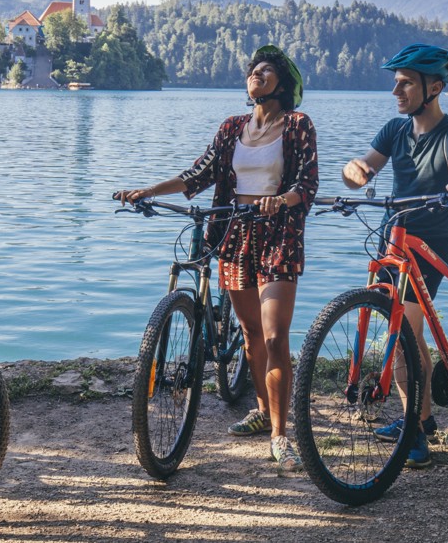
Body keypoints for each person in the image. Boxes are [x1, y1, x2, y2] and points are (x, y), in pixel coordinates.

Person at [117, 45, 319, 476]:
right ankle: (262, 411)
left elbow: (307, 184)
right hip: (232, 233)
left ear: (283, 83)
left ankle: (280, 436)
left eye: (266, 70)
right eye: (253, 69)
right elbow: (198, 174)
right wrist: (147, 191)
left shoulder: (298, 125)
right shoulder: (232, 127)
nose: (256, 73)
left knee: (275, 336)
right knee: (249, 332)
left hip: (278, 236)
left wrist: (282, 199)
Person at [341, 43, 448, 469]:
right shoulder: (395, 130)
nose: (396, 91)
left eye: (406, 83)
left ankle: (416, 432)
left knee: (405, 330)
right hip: (394, 236)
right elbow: (364, 167)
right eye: (396, 82)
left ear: (434, 88)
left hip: (430, 240)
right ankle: (420, 420)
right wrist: (354, 171)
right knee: (405, 330)